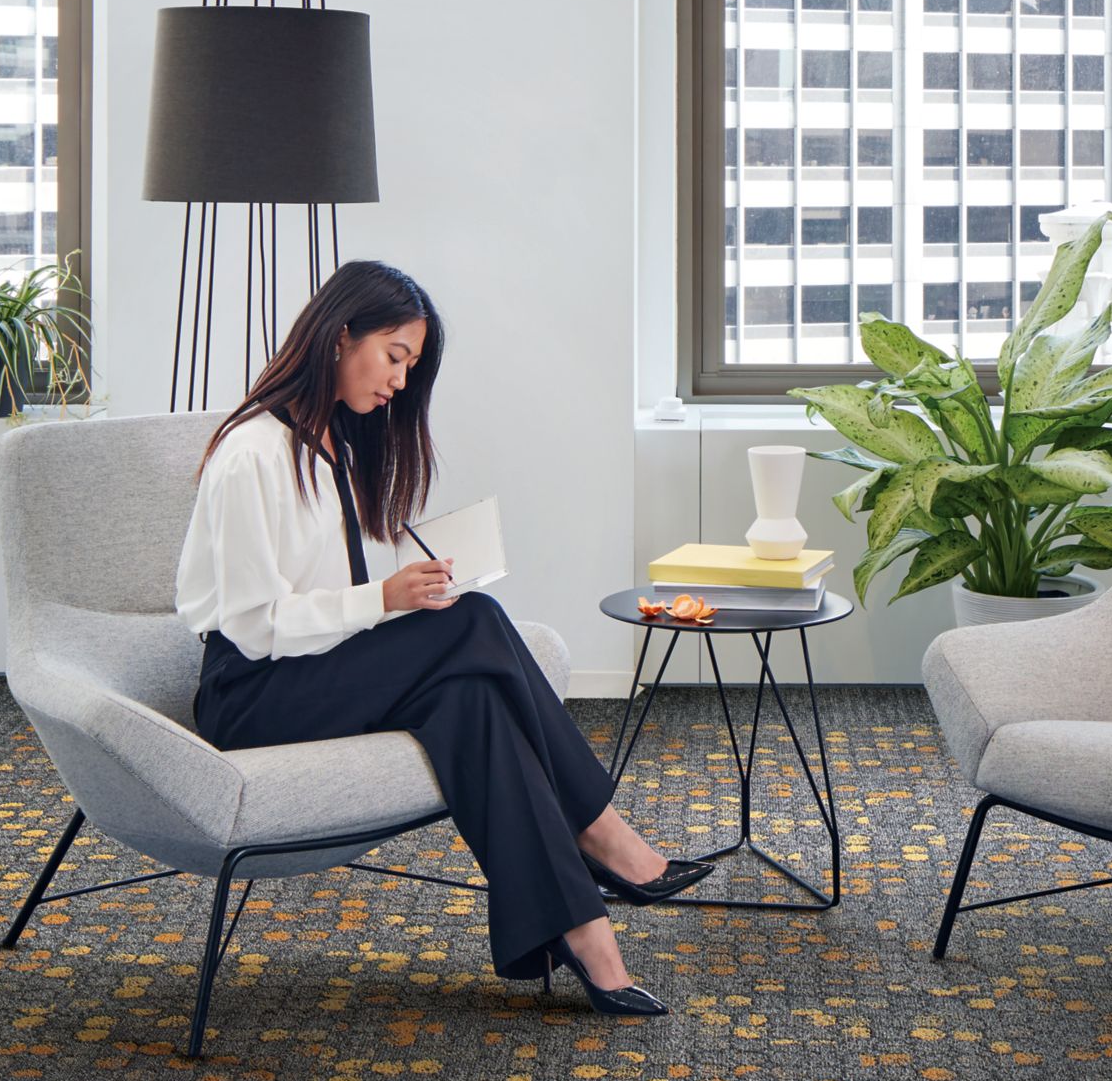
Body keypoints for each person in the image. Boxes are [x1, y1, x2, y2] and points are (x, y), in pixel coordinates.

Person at [174, 260, 717, 1018]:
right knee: (477, 624)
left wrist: (407, 590)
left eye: (411, 366)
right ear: (340, 336)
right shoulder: (253, 455)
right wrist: (381, 599)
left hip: (321, 671)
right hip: (252, 694)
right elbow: (255, 625)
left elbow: (337, 592)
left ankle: (585, 936)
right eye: (394, 356)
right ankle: (606, 839)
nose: (400, 382)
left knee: (472, 699)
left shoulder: (339, 444)